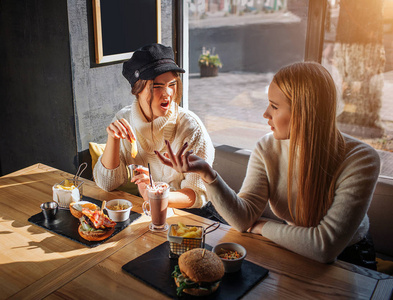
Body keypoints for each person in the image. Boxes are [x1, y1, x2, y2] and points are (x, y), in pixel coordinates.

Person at [156, 61, 380, 269]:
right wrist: (208, 174)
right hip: (293, 247)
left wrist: (261, 227)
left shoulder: (361, 159)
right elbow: (242, 219)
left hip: (350, 259)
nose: (265, 114)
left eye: (274, 106)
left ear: (304, 113)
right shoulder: (267, 147)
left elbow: (325, 247)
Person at [93, 43, 215, 209]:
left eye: (172, 84)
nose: (167, 93)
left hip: (190, 215)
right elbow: (107, 184)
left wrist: (158, 195)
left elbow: (198, 194)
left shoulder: (190, 128)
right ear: (138, 89)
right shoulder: (124, 118)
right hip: (146, 210)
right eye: (157, 86)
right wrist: (113, 140)